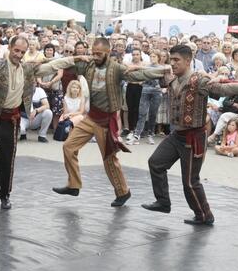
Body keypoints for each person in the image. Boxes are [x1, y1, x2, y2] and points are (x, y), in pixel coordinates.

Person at [141, 44, 238, 224]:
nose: (172, 64)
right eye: (171, 59)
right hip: (177, 135)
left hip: (194, 137)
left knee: (190, 181)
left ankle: (204, 215)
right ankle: (163, 202)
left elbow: (224, 90)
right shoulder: (172, 79)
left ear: (188, 61)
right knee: (156, 163)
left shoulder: (199, 80)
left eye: (177, 60)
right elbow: (146, 73)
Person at [0, 36, 87, 209]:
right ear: (10, 48)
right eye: (16, 50)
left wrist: (74, 58)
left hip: (12, 121)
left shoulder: (28, 69)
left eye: (22, 52)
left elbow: (52, 65)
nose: (19, 55)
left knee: (7, 160)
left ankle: (4, 195)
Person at [52, 38, 170, 207]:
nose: (95, 56)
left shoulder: (116, 68)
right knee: (68, 146)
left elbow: (138, 74)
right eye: (93, 52)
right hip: (91, 117)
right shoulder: (88, 65)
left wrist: (162, 70)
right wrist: (77, 58)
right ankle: (73, 185)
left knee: (109, 159)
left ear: (108, 53)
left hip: (106, 120)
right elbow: (62, 64)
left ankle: (123, 192)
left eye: (99, 53)